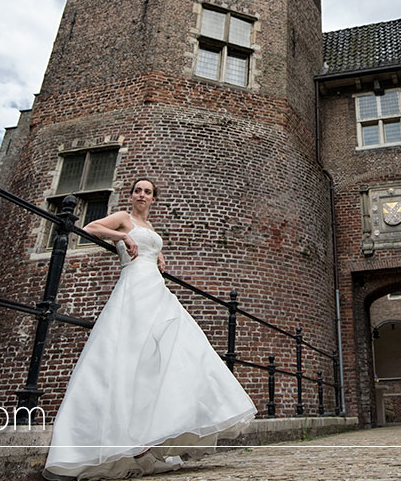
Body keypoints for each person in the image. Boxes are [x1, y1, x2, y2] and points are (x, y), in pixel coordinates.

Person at [43, 178, 256, 479]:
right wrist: (125, 238)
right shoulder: (123, 218)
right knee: (128, 357)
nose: (142, 195)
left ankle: (150, 443)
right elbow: (91, 228)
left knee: (168, 357)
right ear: (131, 196)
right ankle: (126, 444)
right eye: (138, 190)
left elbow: (150, 245)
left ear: (154, 198)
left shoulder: (152, 228)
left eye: (147, 192)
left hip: (156, 291)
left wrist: (157, 253)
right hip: (133, 290)